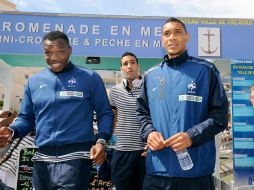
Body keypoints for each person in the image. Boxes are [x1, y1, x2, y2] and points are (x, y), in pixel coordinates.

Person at [0, 31, 113, 190]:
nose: (53, 57)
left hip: (75, 160)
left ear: (70, 50)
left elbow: (105, 113)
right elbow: (26, 118)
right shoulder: (34, 81)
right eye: (48, 52)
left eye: (60, 51)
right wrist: (11, 131)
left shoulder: (90, 78)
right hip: (41, 161)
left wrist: (102, 140)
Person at [136, 17, 228, 190]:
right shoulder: (150, 76)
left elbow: (220, 116)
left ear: (187, 37)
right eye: (167, 34)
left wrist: (191, 136)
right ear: (162, 40)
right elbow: (142, 113)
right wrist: (149, 133)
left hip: (196, 173)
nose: (172, 37)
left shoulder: (206, 71)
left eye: (177, 32)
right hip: (157, 172)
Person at [109, 52, 146, 190]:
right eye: (125, 64)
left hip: (144, 152)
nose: (129, 66)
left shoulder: (149, 89)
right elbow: (112, 118)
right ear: (121, 69)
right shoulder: (114, 91)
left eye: (132, 62)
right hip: (122, 152)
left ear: (138, 66)